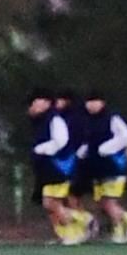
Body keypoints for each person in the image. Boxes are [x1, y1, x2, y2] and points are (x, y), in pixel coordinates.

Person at [76, 93, 127, 242]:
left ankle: (122, 229)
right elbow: (89, 141)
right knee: (102, 201)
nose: (91, 105)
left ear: (102, 102)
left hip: (113, 167)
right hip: (97, 167)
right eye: (89, 102)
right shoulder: (88, 121)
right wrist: (84, 151)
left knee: (108, 201)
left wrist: (108, 148)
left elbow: (126, 136)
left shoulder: (112, 118)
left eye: (95, 101)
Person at [25, 94, 87, 244]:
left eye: (36, 102)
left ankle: (82, 222)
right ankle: (70, 233)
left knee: (52, 203)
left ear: (47, 103)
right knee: (51, 204)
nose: (34, 106)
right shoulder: (40, 121)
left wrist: (42, 149)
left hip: (58, 167)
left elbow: (61, 140)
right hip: (47, 168)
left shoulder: (54, 119)